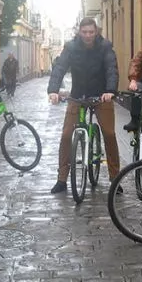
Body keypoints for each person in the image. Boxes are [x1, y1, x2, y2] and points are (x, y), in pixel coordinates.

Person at [48, 17, 120, 194]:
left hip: (101, 96)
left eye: (91, 32)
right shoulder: (71, 47)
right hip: (78, 96)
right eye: (84, 32)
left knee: (109, 134)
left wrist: (110, 90)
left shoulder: (105, 47)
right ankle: (62, 178)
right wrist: (53, 90)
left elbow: (112, 69)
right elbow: (60, 68)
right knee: (66, 135)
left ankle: (115, 177)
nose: (88, 35)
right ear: (79, 32)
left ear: (96, 32)